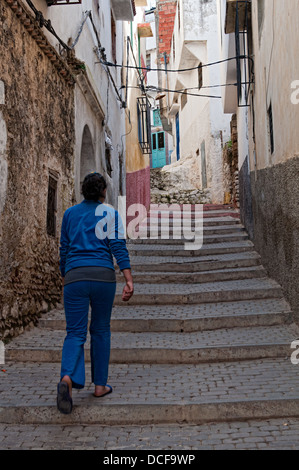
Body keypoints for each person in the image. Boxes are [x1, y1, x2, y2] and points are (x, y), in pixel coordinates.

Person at [57, 172, 133, 414]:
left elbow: (64, 249)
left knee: (75, 333)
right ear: (103, 192)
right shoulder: (110, 213)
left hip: (75, 278)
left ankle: (67, 379)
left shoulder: (69, 214)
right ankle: (100, 385)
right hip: (103, 278)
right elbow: (118, 246)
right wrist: (128, 279)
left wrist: (65, 275)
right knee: (100, 330)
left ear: (82, 191)